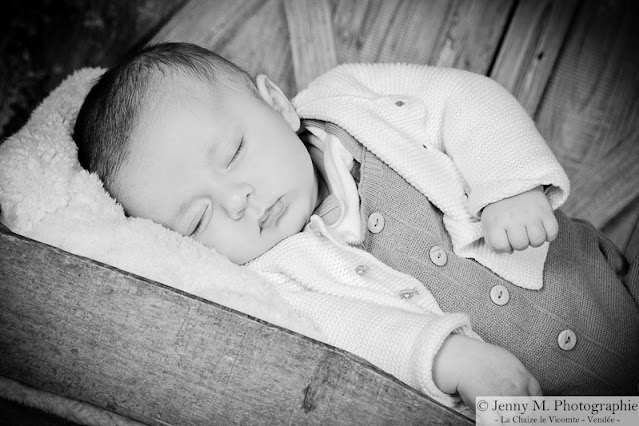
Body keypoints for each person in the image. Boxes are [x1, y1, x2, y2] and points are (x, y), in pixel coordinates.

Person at [73, 42, 639, 410]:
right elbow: (353, 330)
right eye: (198, 220)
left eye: (234, 151)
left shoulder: (350, 99)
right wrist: (447, 357)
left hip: (591, 279)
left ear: (276, 103)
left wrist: (508, 184)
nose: (237, 199)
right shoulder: (275, 280)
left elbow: (459, 99)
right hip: (538, 402)